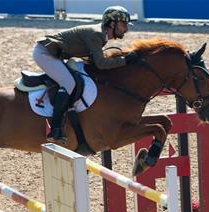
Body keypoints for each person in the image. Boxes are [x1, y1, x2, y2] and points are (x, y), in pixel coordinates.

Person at [32, 6, 139, 142]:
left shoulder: (102, 35)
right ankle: (55, 129)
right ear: (112, 24)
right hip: (44, 53)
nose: (126, 28)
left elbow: (93, 60)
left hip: (56, 54)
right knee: (69, 83)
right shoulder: (97, 34)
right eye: (123, 24)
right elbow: (101, 63)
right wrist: (125, 61)